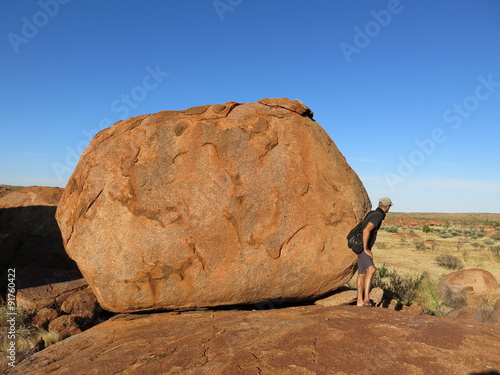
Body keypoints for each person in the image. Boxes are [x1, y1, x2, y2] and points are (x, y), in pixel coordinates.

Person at [356, 197, 393, 307]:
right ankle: (366, 299)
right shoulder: (378, 215)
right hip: (362, 247)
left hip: (357, 245)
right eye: (389, 207)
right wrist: (366, 248)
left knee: (362, 274)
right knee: (371, 270)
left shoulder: (372, 213)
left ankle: (359, 301)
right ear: (387, 207)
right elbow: (366, 230)